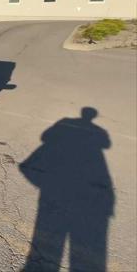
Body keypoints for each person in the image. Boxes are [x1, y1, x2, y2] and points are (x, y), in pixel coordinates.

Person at [20, 107, 114, 271]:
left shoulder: (66, 122)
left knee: (47, 232)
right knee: (83, 243)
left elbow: (45, 137)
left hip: (55, 186)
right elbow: (107, 144)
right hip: (79, 181)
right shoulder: (98, 132)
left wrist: (41, 183)